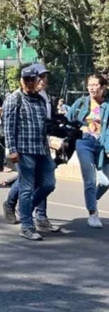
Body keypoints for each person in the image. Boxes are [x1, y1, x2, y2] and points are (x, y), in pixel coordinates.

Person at [3, 65, 57, 241]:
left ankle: (26, 209)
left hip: (42, 149)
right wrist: (12, 150)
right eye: (25, 80)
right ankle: (27, 226)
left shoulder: (41, 100)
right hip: (24, 151)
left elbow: (43, 126)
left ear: (36, 81)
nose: (28, 83)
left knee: (49, 184)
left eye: (31, 80)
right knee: (26, 187)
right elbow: (8, 127)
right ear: (21, 81)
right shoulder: (14, 99)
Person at [66, 73, 109, 228]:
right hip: (84, 143)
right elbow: (68, 121)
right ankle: (93, 213)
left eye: (95, 85)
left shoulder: (107, 105)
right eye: (90, 85)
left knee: (105, 181)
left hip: (102, 145)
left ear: (103, 87)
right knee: (90, 180)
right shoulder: (81, 103)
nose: (92, 88)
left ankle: (93, 199)